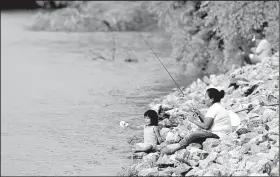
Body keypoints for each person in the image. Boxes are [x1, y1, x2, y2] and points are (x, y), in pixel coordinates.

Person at [161, 88, 232, 155]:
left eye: (206, 97)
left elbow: (206, 126)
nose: (204, 99)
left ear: (212, 99)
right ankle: (183, 146)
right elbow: (208, 123)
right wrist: (199, 114)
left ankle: (177, 146)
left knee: (193, 134)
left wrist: (193, 120)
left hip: (219, 135)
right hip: (224, 134)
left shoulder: (213, 108)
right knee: (195, 138)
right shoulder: (218, 106)